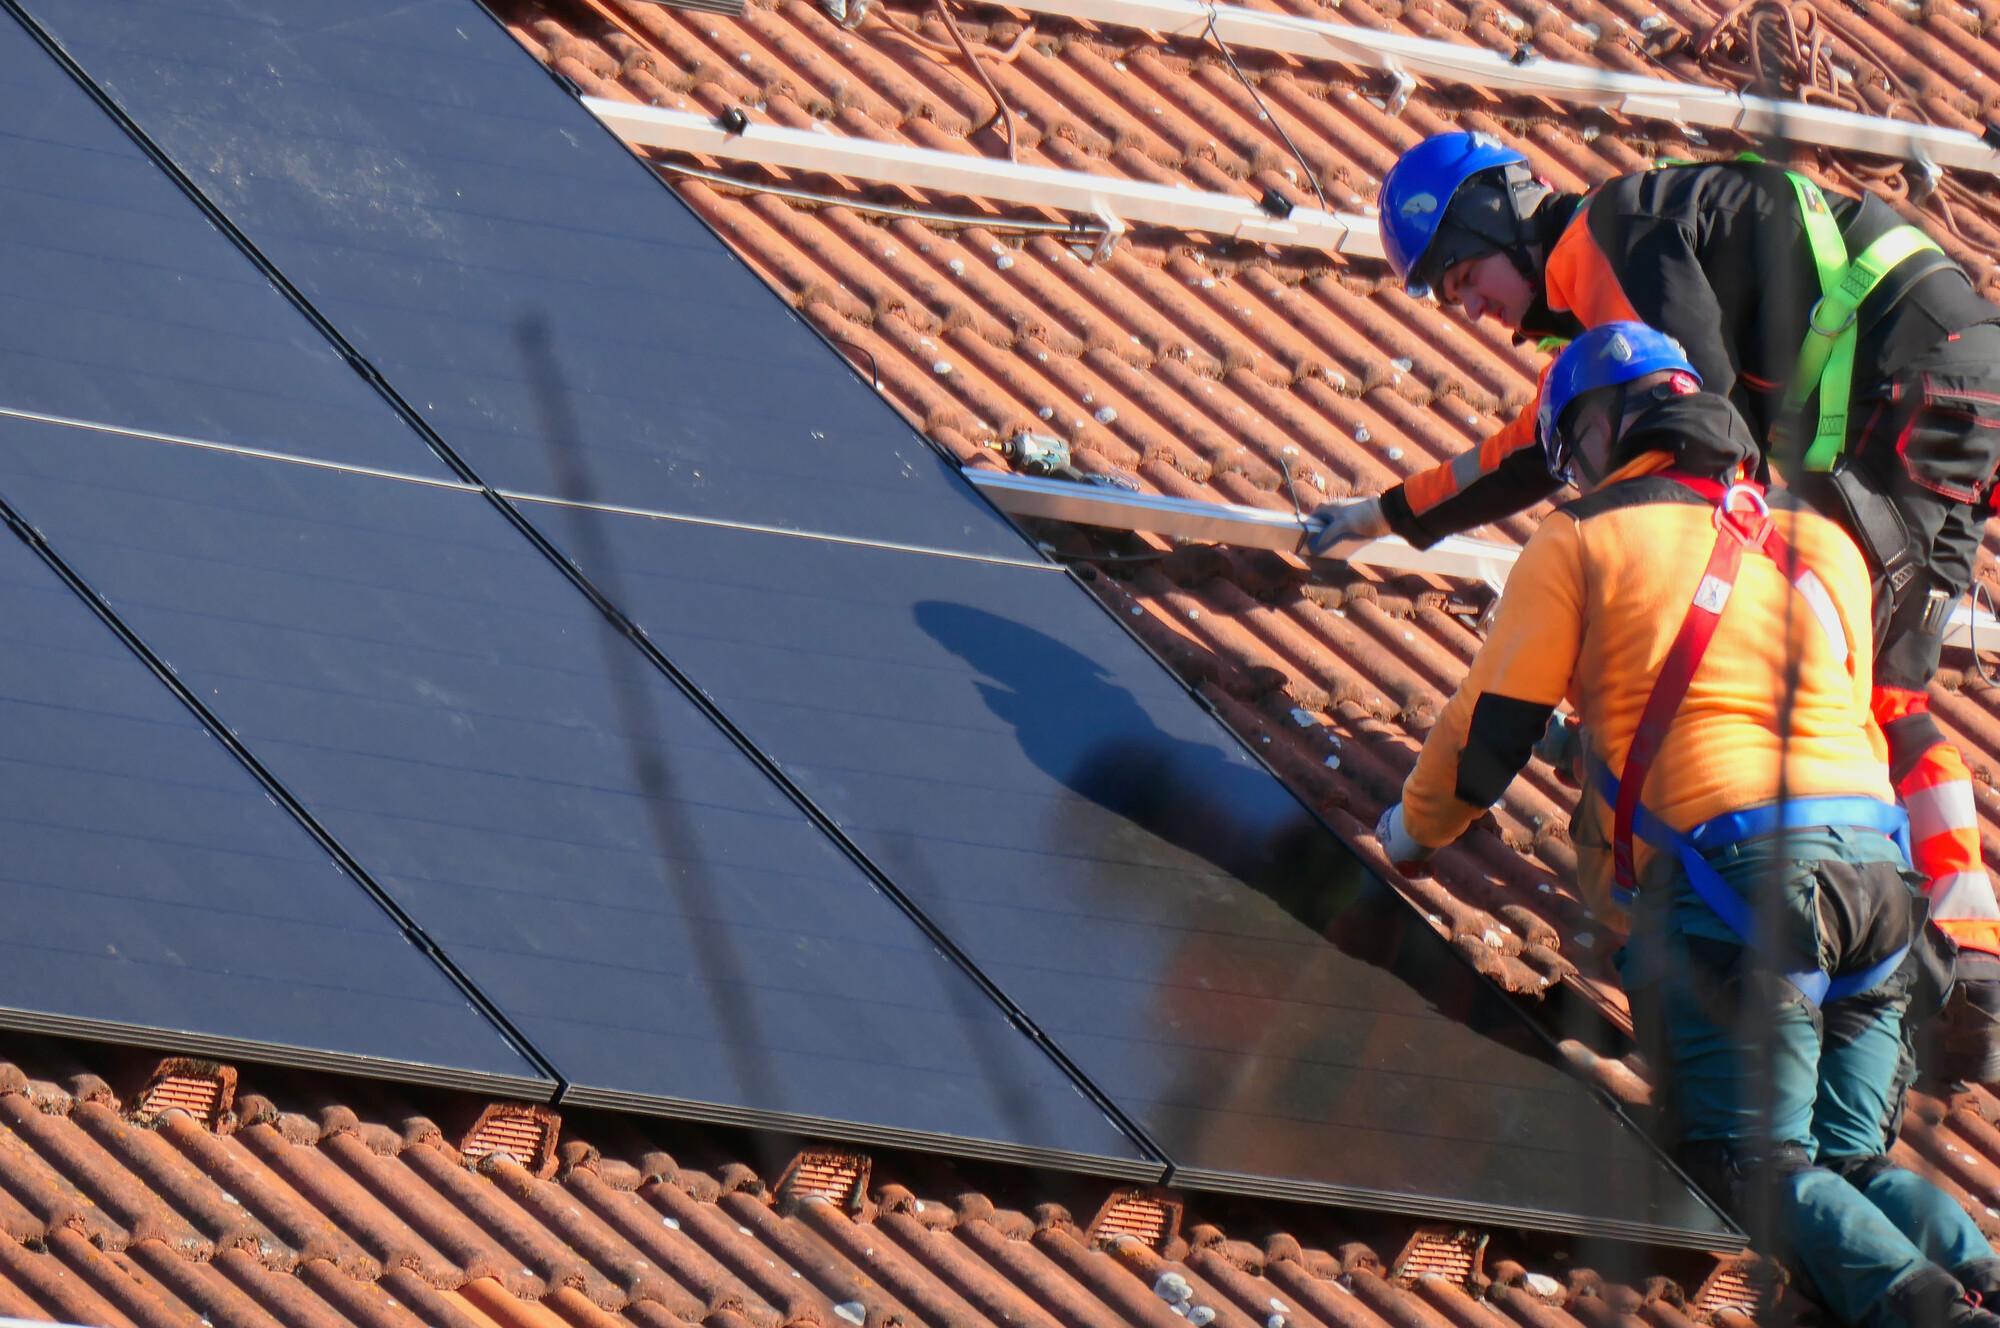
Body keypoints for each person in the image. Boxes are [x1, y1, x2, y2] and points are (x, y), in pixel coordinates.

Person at [1318, 132, 2000, 1080]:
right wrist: (1389, 513)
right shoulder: (1617, 255)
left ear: (1496, 219)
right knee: (1892, 692)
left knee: (1807, 634)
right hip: (1955, 378)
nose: (1468, 306)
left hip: (1904, 379)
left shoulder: (1603, 237)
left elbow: (1699, 427)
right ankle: (1971, 960)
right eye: (1446, 294)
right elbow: (1535, 442)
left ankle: (1853, 934)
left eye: (1463, 273)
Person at [1374, 322, 2000, 1327]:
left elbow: (1488, 731)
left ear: (1602, 428)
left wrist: (1409, 828)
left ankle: (1935, 1315)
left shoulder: (1578, 538)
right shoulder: (1815, 540)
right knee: (1847, 1159)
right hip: (1877, 885)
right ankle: (1983, 1274)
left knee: (1749, 1162)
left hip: (1745, 889)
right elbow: (1837, 711)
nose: (1566, 472)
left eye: (1568, 447)